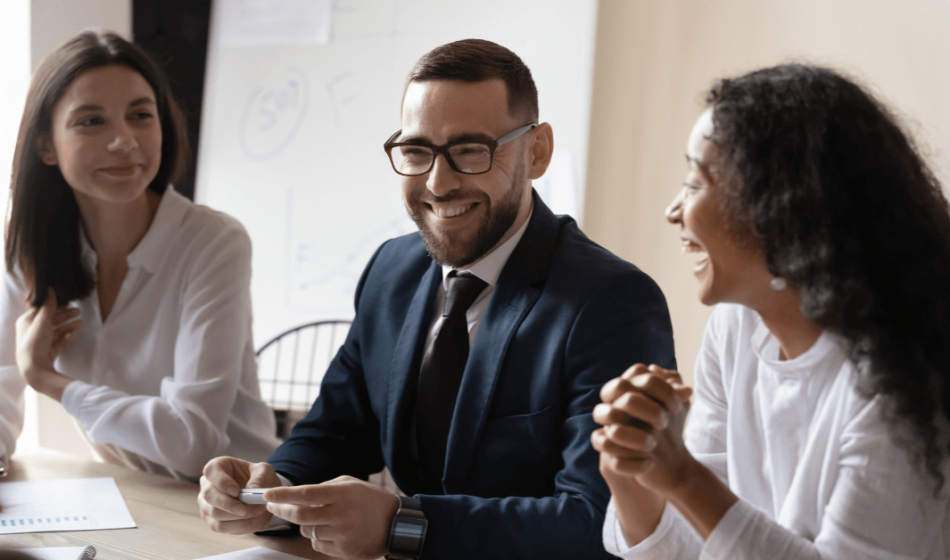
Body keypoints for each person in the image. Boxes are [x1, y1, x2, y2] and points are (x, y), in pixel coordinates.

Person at [198, 39, 675, 560]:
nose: (438, 183)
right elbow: (335, 431)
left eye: (471, 151)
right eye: (417, 151)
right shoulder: (391, 271)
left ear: (536, 152)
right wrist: (268, 490)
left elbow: (602, 522)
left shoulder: (612, 301)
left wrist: (402, 525)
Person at [593, 63, 950, 559]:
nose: (674, 210)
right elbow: (703, 545)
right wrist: (636, 477)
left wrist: (683, 477)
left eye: (696, 184)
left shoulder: (898, 385)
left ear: (783, 211)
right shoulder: (736, 328)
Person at [0, 30, 280, 480]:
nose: (124, 141)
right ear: (45, 145)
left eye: (140, 115)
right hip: (137, 499)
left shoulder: (214, 242)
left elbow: (193, 444)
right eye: (92, 121)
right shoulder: (32, 248)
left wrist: (49, 380)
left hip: (244, 509)